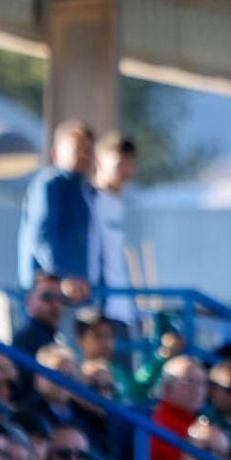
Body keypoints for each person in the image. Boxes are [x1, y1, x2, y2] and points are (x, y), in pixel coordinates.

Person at [16, 120, 94, 305]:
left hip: (75, 292)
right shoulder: (50, 185)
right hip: (52, 295)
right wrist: (64, 275)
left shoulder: (81, 190)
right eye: (77, 149)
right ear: (56, 153)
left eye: (88, 150)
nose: (84, 155)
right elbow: (41, 235)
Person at [90, 133, 139, 335]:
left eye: (129, 165)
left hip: (123, 309)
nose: (125, 171)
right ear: (100, 161)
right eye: (119, 164)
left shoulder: (121, 204)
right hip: (100, 309)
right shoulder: (89, 201)